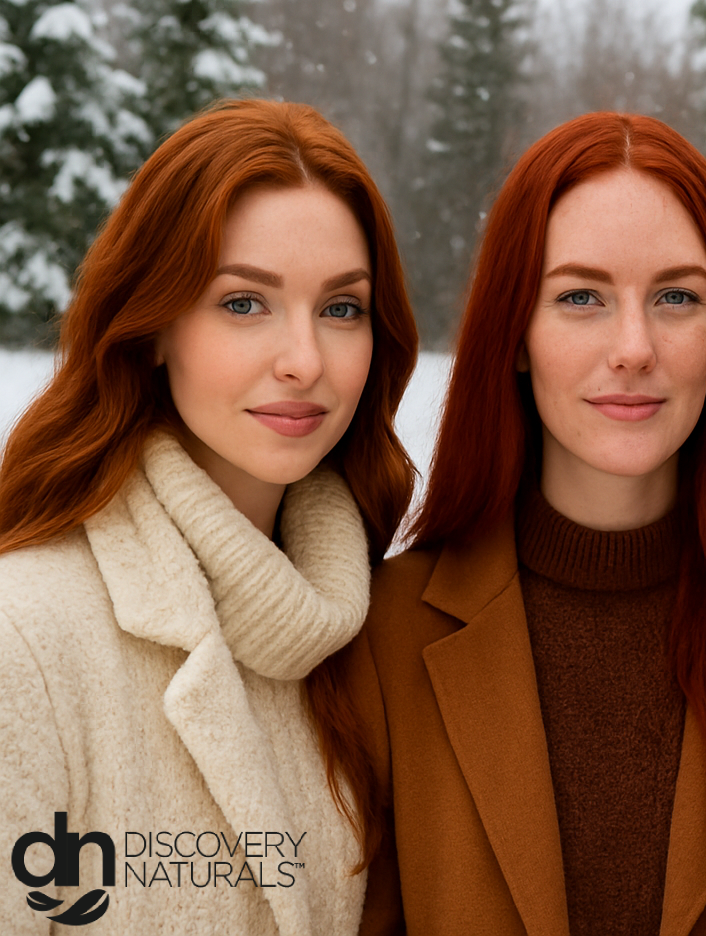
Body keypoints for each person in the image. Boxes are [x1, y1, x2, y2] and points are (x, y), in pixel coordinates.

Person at [321, 111, 706, 936]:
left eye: (677, 296)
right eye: (581, 296)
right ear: (515, 335)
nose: (635, 346)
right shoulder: (388, 628)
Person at [0, 99, 417, 935]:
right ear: (153, 327)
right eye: (243, 303)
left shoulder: (378, 632)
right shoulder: (26, 639)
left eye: (342, 308)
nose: (304, 361)